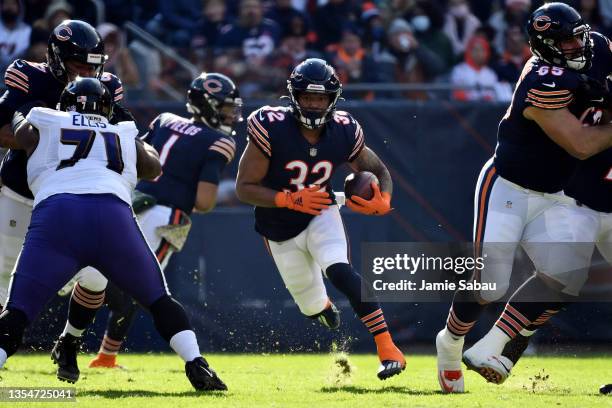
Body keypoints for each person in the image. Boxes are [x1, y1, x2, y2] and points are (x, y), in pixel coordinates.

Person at [2, 77, 227, 391]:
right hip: (114, 216)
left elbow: (18, 135)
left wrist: (15, 111)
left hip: (59, 213)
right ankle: (196, 363)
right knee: (158, 299)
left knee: (19, 309)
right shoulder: (122, 132)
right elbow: (152, 167)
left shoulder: (45, 118)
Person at [435, 2, 612, 393]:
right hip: (508, 188)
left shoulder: (597, 46)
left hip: (559, 194)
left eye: (578, 36)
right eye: (565, 42)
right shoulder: (541, 80)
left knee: (565, 277)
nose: (577, 46)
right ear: (545, 47)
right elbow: (581, 145)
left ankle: (497, 348)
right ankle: (449, 345)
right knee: (489, 286)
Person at [56, 72, 242, 369]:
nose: (231, 114)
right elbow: (204, 203)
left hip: (126, 203)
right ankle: (105, 356)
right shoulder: (220, 142)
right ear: (206, 106)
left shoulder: (164, 120)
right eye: (225, 107)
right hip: (165, 216)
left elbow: (132, 157)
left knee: (102, 275)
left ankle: (90, 339)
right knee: (138, 286)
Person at [235, 58, 405, 380]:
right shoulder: (270, 125)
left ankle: (387, 348)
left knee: (340, 270)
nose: (314, 105)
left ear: (332, 99)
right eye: (308, 98)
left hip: (320, 211)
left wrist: (384, 198)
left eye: (321, 98)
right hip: (279, 228)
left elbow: (379, 171)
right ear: (294, 97)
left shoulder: (343, 129)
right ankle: (323, 307)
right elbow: (245, 188)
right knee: (310, 306)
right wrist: (287, 197)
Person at [0, 19, 134, 382]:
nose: (87, 72)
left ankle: (69, 342)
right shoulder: (28, 74)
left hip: (74, 199)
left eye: (93, 65)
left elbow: (124, 135)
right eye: (79, 64)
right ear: (57, 58)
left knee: (95, 276)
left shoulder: (107, 86)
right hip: (22, 191)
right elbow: (2, 130)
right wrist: (48, 134)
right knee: (2, 278)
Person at [463, 148, 612, 385]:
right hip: (576, 204)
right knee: (560, 280)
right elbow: (579, 140)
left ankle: (502, 346)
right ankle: (499, 345)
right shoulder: (586, 114)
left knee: (562, 282)